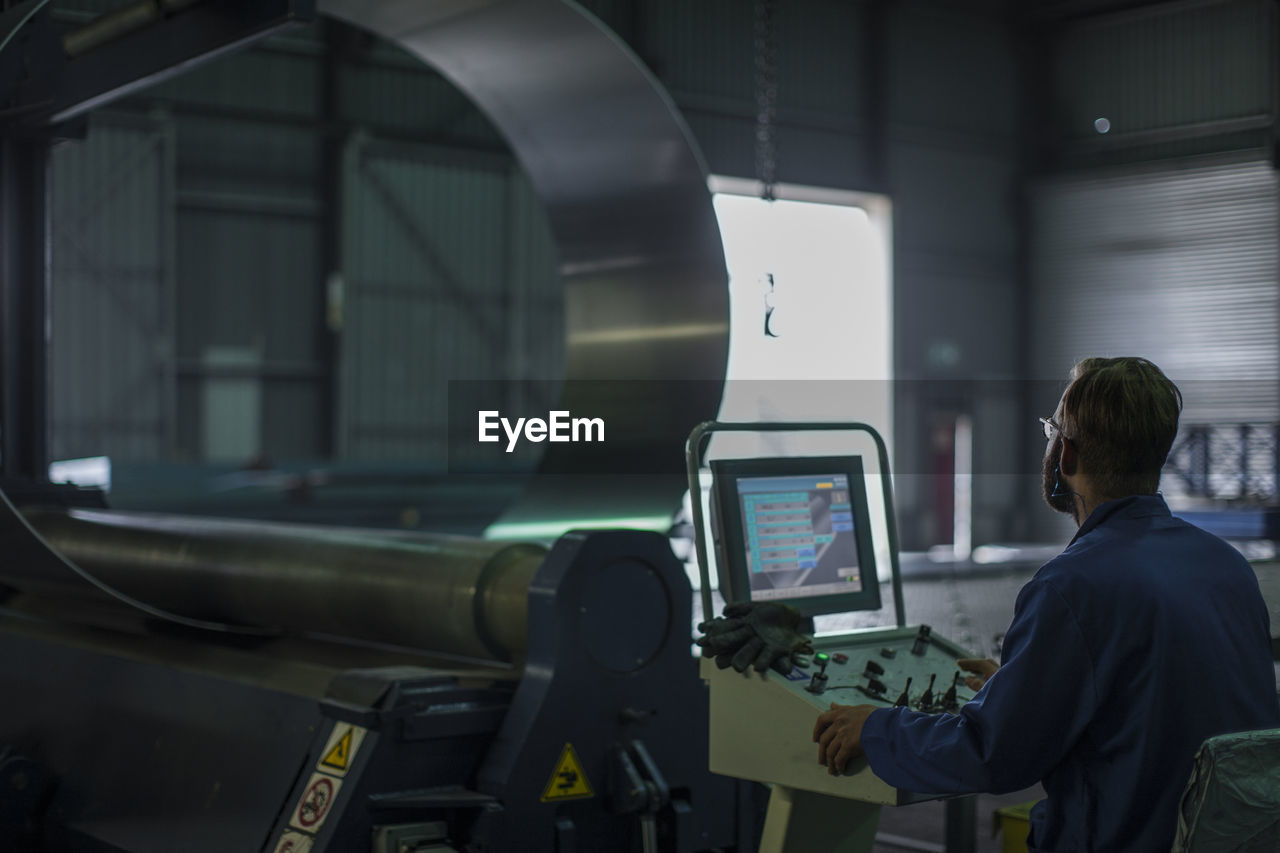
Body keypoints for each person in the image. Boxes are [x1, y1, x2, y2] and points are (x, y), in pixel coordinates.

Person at [809, 356, 1280, 852]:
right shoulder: (1226, 566)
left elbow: (993, 755)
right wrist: (1025, 690)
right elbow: (1157, 706)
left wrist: (878, 728)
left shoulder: (1071, 586)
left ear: (1067, 456)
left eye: (1051, 430)